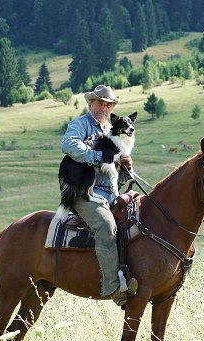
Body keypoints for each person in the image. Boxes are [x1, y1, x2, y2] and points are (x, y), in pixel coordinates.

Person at [60, 85, 138, 306]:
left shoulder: (116, 130)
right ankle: (113, 287)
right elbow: (68, 145)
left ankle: (132, 273)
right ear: (90, 104)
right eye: (100, 103)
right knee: (106, 225)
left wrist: (125, 168)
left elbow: (116, 178)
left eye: (108, 104)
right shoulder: (80, 124)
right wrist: (100, 157)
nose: (104, 107)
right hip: (82, 191)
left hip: (109, 192)